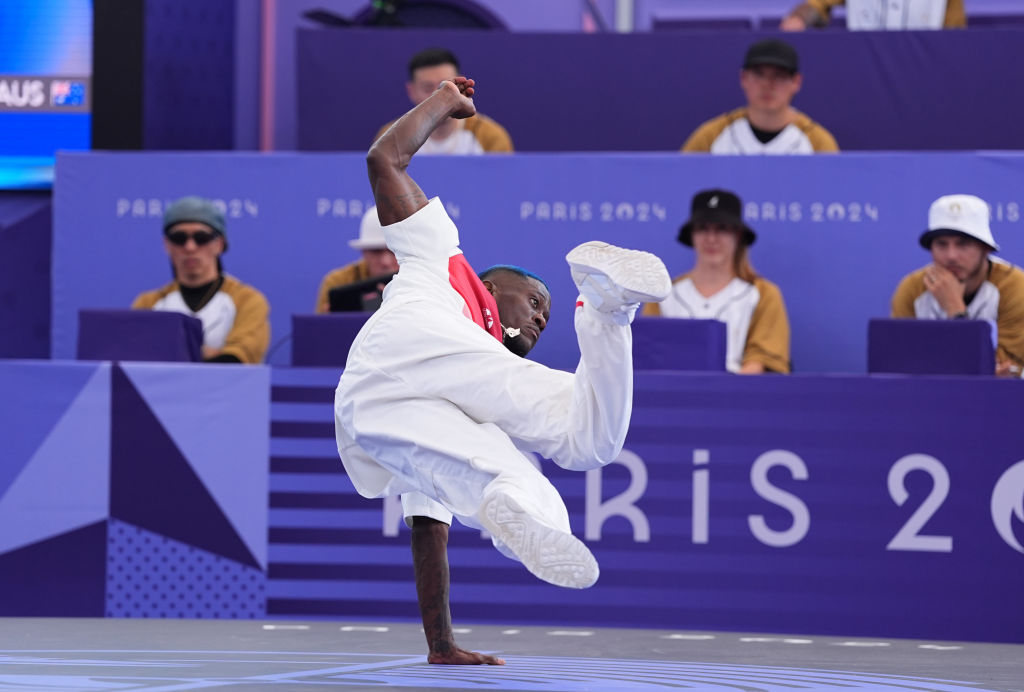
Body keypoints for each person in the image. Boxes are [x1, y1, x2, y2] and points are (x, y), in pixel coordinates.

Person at [335, 76, 670, 664]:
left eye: (548, 314)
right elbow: (384, 158)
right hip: (415, 337)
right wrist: (442, 101)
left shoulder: (477, 390)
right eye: (534, 302)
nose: (540, 320)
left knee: (527, 476)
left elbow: (427, 529)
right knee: (579, 433)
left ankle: (511, 507)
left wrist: (440, 645)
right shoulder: (442, 256)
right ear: (491, 286)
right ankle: (606, 311)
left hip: (373, 410)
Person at [642, 189, 790, 374]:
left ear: (738, 236)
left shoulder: (763, 293)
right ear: (692, 235)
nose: (711, 239)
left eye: (722, 229)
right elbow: (649, 353)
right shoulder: (662, 293)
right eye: (703, 228)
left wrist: (722, 392)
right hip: (673, 395)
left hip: (738, 396)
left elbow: (763, 359)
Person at [891, 194, 1024, 377]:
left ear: (986, 249)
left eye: (963, 244)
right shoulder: (912, 288)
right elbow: (900, 363)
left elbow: (1005, 370)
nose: (951, 256)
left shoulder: (1015, 286)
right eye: (942, 244)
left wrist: (955, 310)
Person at [132, 196, 270, 364]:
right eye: (179, 238)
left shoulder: (248, 301)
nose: (190, 247)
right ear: (167, 245)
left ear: (219, 244)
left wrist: (175, 353)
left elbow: (240, 358)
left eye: (201, 237)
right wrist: (206, 352)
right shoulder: (147, 303)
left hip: (227, 389)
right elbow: (137, 359)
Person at [682, 39, 838, 155]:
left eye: (779, 76)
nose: (767, 85)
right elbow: (679, 185)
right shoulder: (711, 136)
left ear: (796, 82)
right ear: (743, 78)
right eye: (759, 75)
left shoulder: (818, 142)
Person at [374, 47, 513, 154]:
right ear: (412, 91)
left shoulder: (490, 136)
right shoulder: (391, 137)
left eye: (446, 86)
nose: (438, 96)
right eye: (428, 88)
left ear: (461, 85)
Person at [315, 206, 399, 313]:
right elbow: (319, 328)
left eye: (394, 250)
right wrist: (327, 323)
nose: (385, 262)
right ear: (363, 252)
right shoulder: (337, 282)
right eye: (376, 251)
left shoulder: (424, 281)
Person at [781, 0, 965, 31]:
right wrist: (798, 18)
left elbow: (955, 33)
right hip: (867, 63)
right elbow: (817, 5)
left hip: (921, 65)